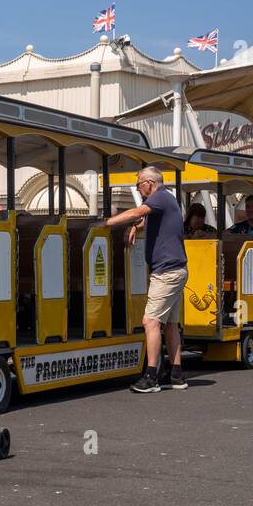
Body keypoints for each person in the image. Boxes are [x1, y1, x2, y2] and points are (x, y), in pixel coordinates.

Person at [105, 165, 188, 393]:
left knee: (150, 322)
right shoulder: (166, 200)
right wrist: (135, 227)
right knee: (170, 324)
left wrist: (107, 223)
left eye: (138, 184)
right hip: (175, 270)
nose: (138, 189)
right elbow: (144, 220)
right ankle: (177, 375)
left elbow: (137, 212)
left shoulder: (159, 197)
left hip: (166, 272)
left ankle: (151, 377)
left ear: (149, 184)